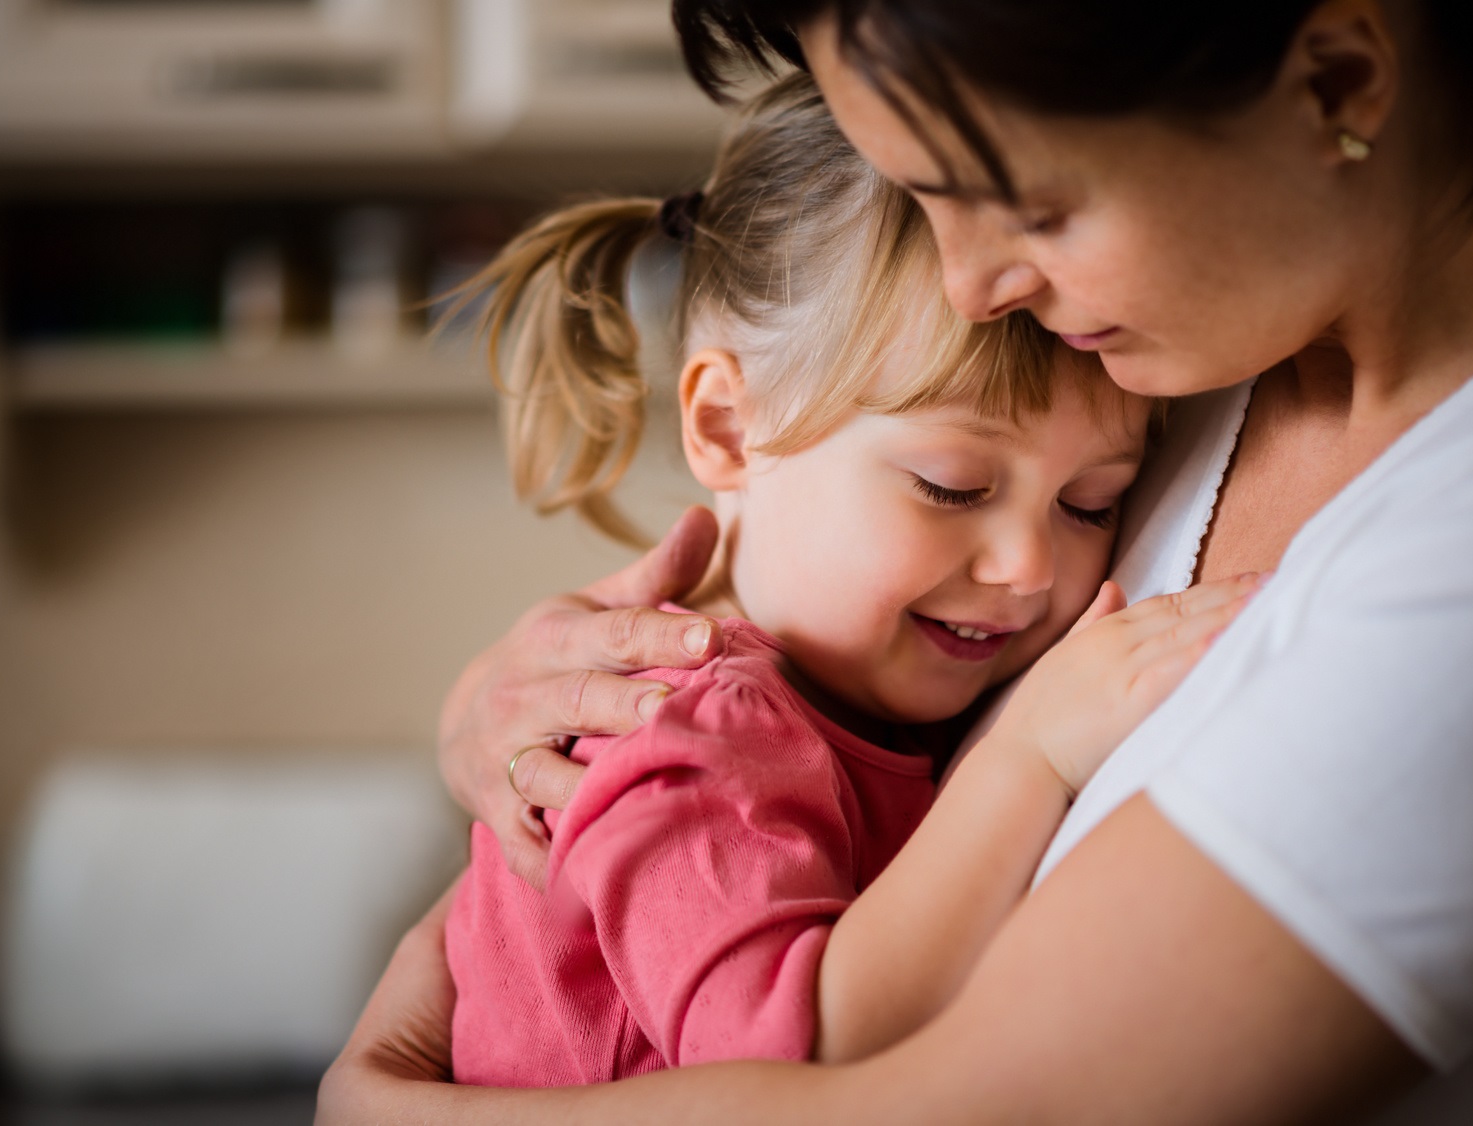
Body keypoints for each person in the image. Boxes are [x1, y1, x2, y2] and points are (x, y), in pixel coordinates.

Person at [320, 1, 1473, 1121]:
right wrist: (500, 717)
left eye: (1032, 204)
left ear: (1338, 82)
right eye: (921, 199)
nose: (971, 288)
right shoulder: (1183, 345)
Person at [444, 73, 1255, 1085]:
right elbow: (788, 1061)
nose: (1027, 567)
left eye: (1090, 503)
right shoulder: (693, 732)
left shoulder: (867, 699)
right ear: (727, 427)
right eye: (950, 486)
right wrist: (1030, 758)